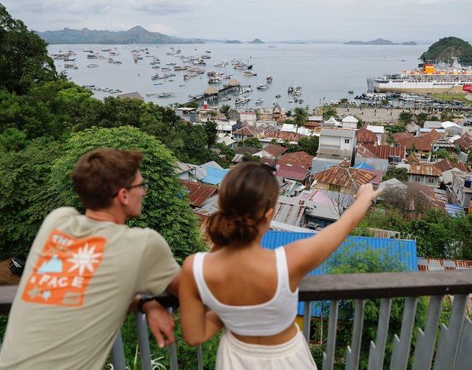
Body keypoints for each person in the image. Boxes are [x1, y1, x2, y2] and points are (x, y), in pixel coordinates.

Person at [179, 162, 382, 369]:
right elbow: (343, 226)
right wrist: (364, 197)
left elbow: (195, 336)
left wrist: (230, 311)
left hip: (235, 360)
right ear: (268, 214)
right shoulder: (287, 262)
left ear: (221, 206)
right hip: (288, 360)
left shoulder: (194, 268)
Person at [0, 148, 180, 369]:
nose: (143, 192)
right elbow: (190, 289)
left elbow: (85, 286)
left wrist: (146, 302)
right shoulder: (145, 243)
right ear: (123, 195)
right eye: (140, 185)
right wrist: (150, 302)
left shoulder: (57, 222)